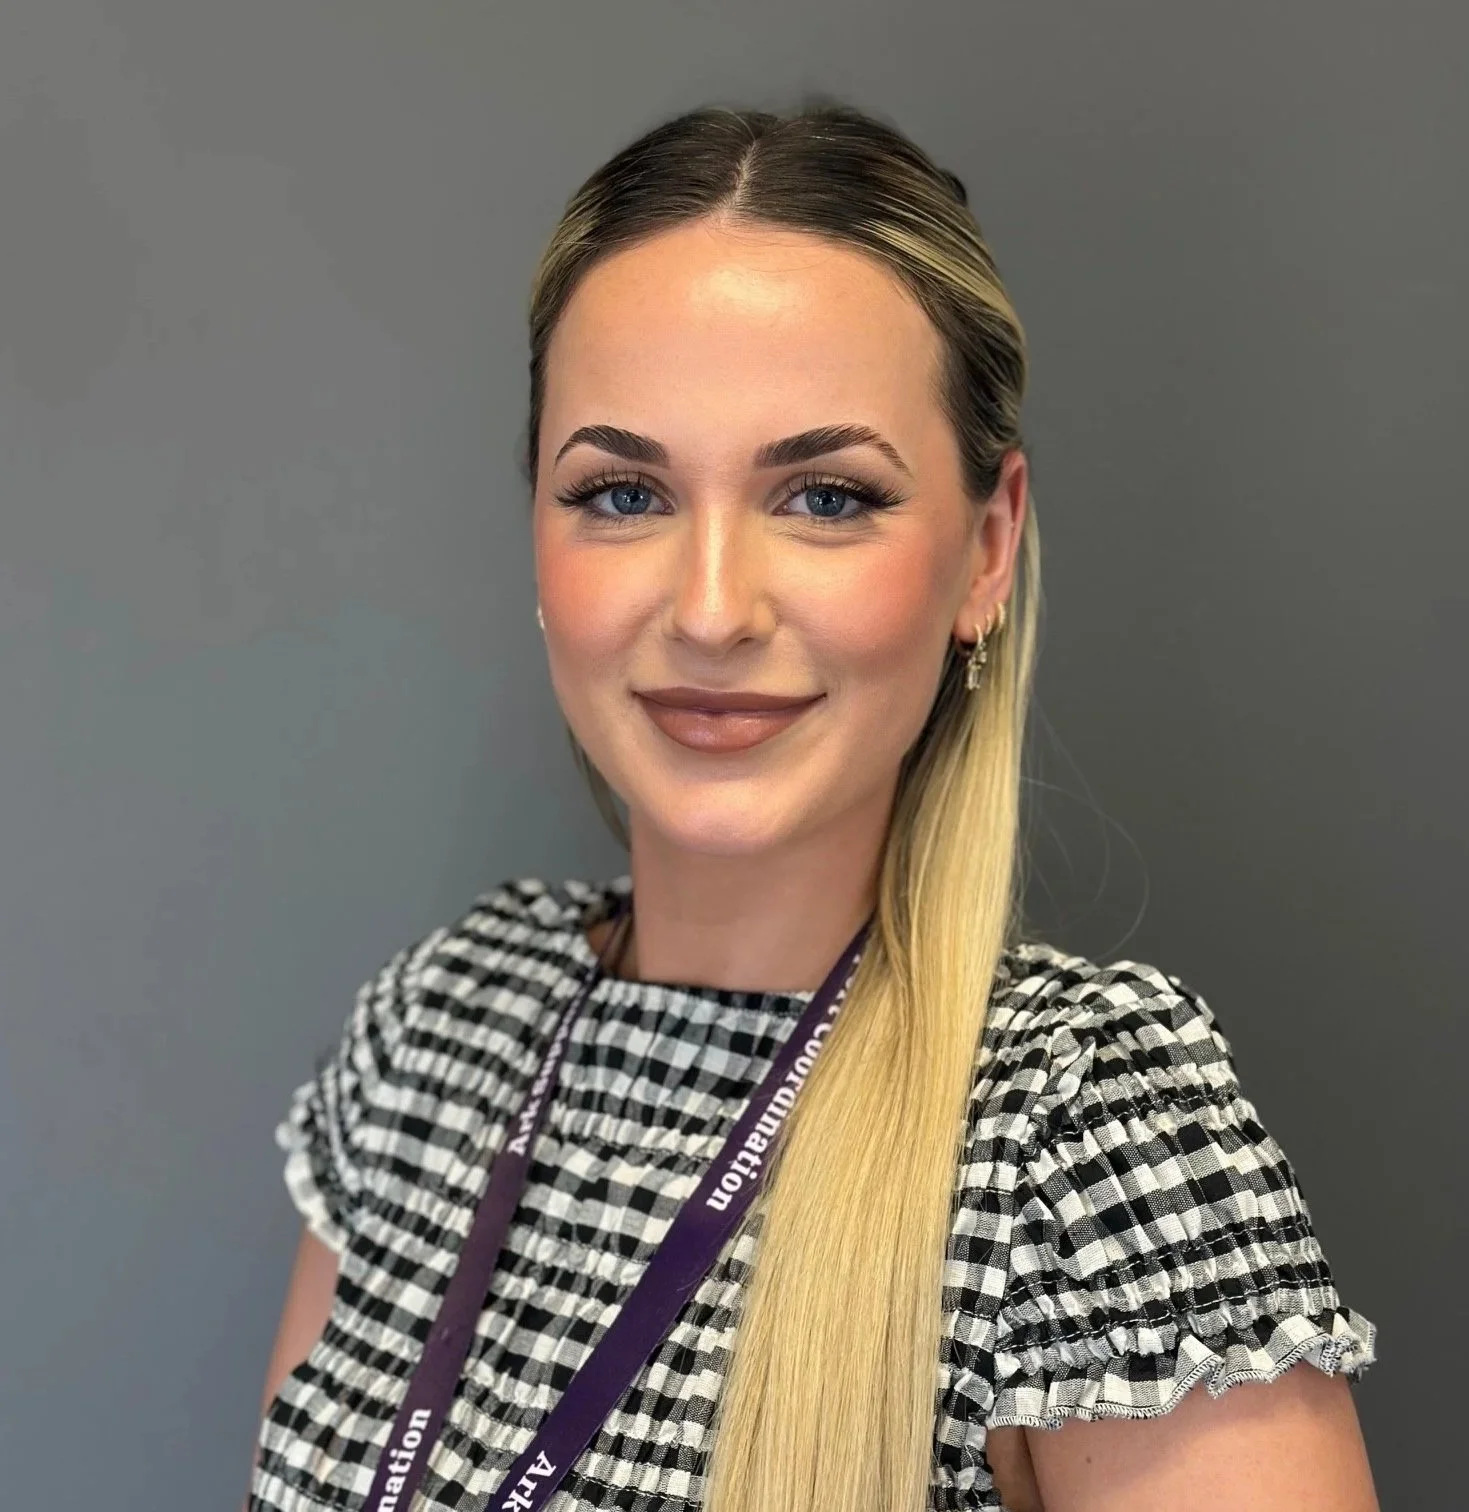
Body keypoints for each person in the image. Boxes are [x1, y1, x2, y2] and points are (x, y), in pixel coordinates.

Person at [246, 100, 1379, 1512]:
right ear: (536, 538)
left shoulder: (1082, 1136)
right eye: (621, 492)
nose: (712, 609)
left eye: (828, 497)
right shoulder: (433, 1032)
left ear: (987, 549)